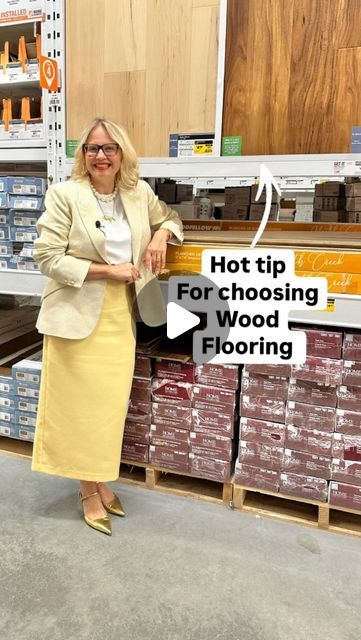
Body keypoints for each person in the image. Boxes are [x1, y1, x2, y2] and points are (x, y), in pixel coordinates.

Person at [31, 117, 183, 536]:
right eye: (92, 149)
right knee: (79, 408)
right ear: (83, 156)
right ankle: (87, 488)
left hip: (120, 316)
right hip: (76, 315)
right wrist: (106, 271)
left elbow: (171, 217)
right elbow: (47, 257)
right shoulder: (64, 195)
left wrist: (160, 236)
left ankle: (98, 477)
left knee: (106, 409)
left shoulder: (137, 195)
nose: (101, 156)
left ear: (122, 154)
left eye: (109, 148)